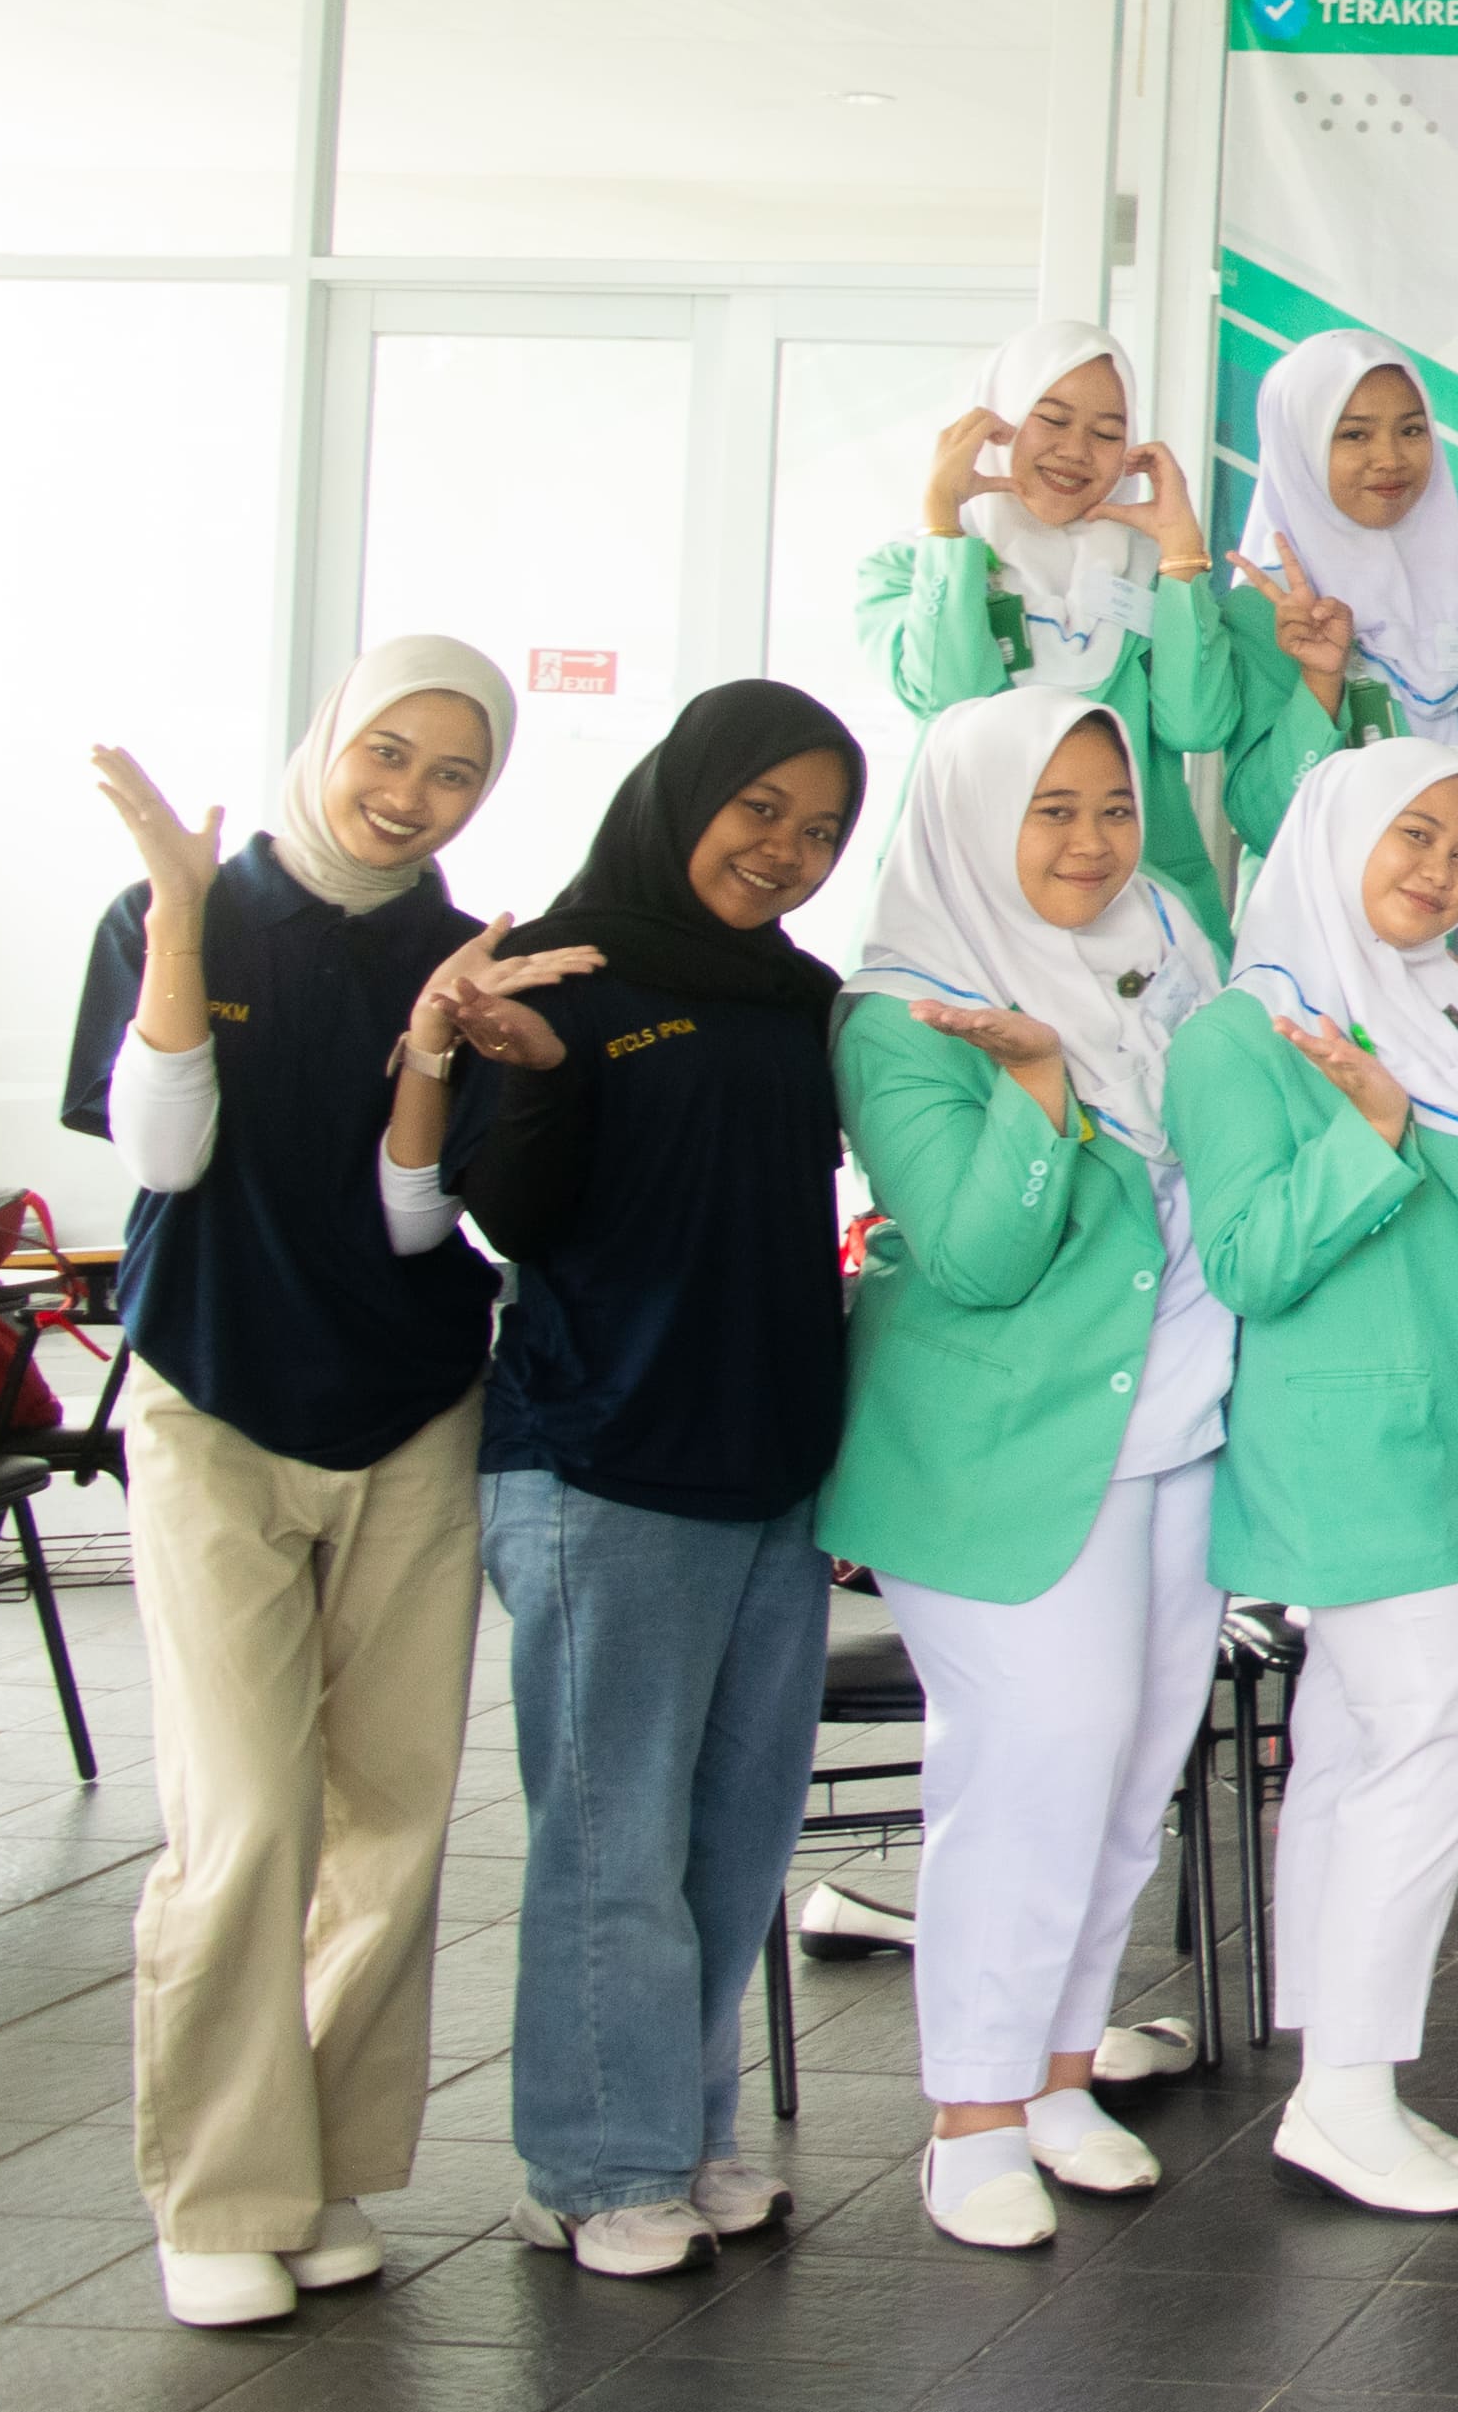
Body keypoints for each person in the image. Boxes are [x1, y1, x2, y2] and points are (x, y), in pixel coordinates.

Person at [71, 644, 543, 2328]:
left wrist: (434, 1051)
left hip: (410, 1409)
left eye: (452, 774)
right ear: (330, 737)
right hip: (214, 1400)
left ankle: (321, 2163)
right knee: (245, 1813)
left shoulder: (454, 953)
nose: (409, 792)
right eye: (388, 752)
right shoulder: (177, 905)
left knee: (395, 1808)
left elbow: (418, 1226)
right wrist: (184, 918)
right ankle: (219, 2185)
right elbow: (162, 1156)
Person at [449, 682, 869, 2277]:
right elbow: (514, 1215)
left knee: (734, 1830)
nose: (785, 850)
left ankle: (684, 2132)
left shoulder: (800, 995)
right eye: (760, 807)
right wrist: (541, 1064)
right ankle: (589, 2162)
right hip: (607, 1459)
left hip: (767, 1464)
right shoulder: (561, 964)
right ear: (682, 790)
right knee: (608, 1833)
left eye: (821, 829)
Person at [818, 694, 1229, 2249]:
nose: (1087, 841)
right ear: (975, 817)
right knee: (1037, 1760)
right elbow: (981, 1260)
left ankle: (1060, 2072)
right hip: (1006, 1446)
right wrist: (1043, 1093)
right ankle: (970, 2115)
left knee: (1130, 1776)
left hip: (1177, 1419)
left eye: (1111, 804)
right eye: (1048, 809)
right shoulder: (900, 1010)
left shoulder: (1167, 943)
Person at [1170, 737, 1458, 2217]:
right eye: (1412, 841)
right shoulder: (1239, 1031)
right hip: (1342, 1444)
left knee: (1349, 1751)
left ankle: (1334, 2077)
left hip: (1449, 1431)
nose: (1440, 876)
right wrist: (1372, 1136)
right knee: (1448, 1741)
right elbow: (1252, 1259)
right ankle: (1343, 2094)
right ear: (1331, 840)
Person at [861, 324, 1236, 940]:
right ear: (997, 422)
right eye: (1052, 420)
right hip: (967, 904)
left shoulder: (1155, 572)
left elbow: (1195, 726)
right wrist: (946, 531)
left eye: (1107, 433)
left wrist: (1180, 554)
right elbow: (951, 701)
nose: (1076, 451)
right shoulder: (910, 567)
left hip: (1129, 899)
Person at [1219, 327, 1458, 860]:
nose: (1391, 458)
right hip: (1333, 920)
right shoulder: (1267, 607)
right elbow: (1263, 820)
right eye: (1354, 435)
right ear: (1300, 446)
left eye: (1411, 430)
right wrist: (1321, 679)